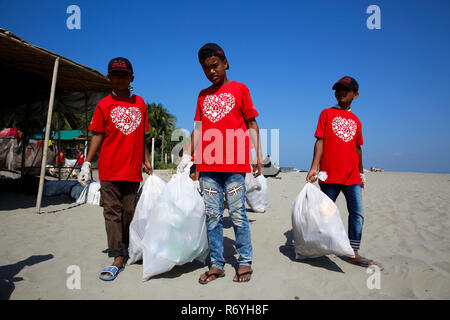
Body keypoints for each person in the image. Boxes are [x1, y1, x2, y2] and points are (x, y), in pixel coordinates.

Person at [178, 43, 263, 284]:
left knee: (237, 214)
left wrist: (257, 155)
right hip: (208, 167)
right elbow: (198, 128)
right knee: (213, 215)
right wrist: (187, 156)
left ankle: (244, 260)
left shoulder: (240, 90)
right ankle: (217, 263)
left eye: (215, 66)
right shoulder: (202, 95)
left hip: (235, 165)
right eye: (206, 69)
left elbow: (251, 124)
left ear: (225, 63)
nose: (211, 71)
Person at [78, 57, 153, 281]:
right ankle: (117, 256)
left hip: (131, 171)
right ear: (109, 78)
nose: (120, 78)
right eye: (116, 75)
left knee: (129, 211)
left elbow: (142, 136)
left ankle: (130, 246)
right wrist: (87, 163)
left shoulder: (140, 103)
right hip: (109, 170)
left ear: (131, 78)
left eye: (124, 75)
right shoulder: (104, 104)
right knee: (112, 212)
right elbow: (97, 135)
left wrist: (146, 160)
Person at [306, 76, 375, 267]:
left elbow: (358, 149)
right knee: (324, 213)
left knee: (357, 213)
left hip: (352, 175)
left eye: (346, 90)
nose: (341, 93)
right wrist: (314, 167)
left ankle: (353, 252)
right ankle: (314, 247)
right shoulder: (326, 114)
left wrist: (361, 174)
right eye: (338, 89)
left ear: (356, 94)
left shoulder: (356, 121)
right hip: (330, 174)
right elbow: (320, 140)